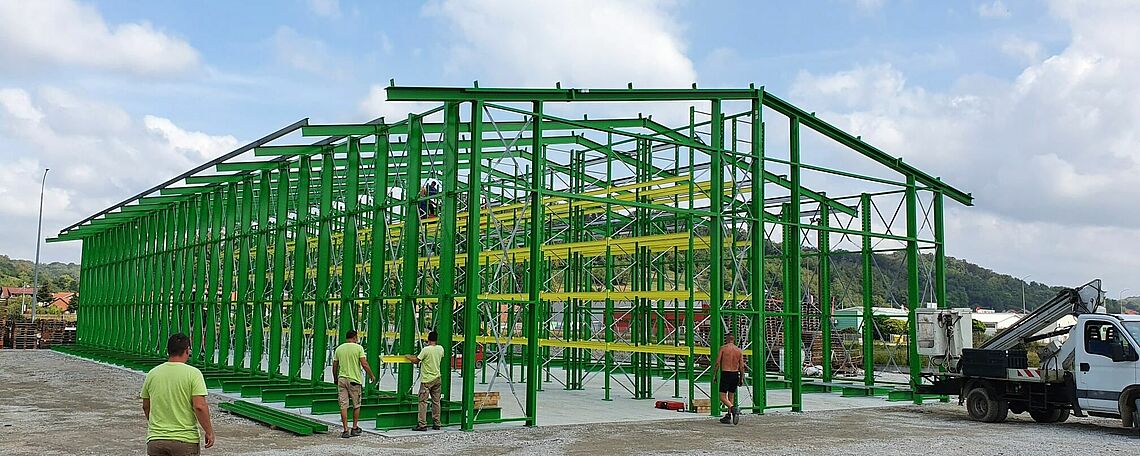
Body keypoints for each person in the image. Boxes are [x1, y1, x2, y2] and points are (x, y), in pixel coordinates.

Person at [140, 333, 215, 455]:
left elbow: (146, 406)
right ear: (187, 350)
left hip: (156, 440)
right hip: (185, 441)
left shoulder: (153, 374)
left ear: (168, 351)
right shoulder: (193, 374)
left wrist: (157, 427)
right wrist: (209, 431)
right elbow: (199, 406)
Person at [332, 329, 376, 438]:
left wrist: (335, 378)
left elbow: (335, 366)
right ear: (355, 337)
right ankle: (354, 428)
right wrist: (371, 375)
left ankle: (345, 430)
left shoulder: (339, 349)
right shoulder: (358, 348)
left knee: (343, 405)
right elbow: (364, 364)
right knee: (356, 405)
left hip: (342, 379)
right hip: (354, 381)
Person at [406, 330, 445, 431]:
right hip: (437, 378)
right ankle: (437, 423)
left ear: (428, 339)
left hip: (427, 380)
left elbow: (416, 361)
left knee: (423, 401)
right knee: (436, 401)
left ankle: (422, 424)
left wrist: (409, 357)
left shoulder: (426, 350)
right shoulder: (440, 349)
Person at [712, 333, 745, 425]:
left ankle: (733, 409)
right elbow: (742, 366)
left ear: (726, 339)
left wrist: (714, 374)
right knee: (731, 396)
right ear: (733, 340)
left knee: (722, 397)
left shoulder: (723, 348)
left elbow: (717, 362)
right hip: (735, 374)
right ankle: (729, 415)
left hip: (726, 373)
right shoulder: (738, 350)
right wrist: (741, 378)